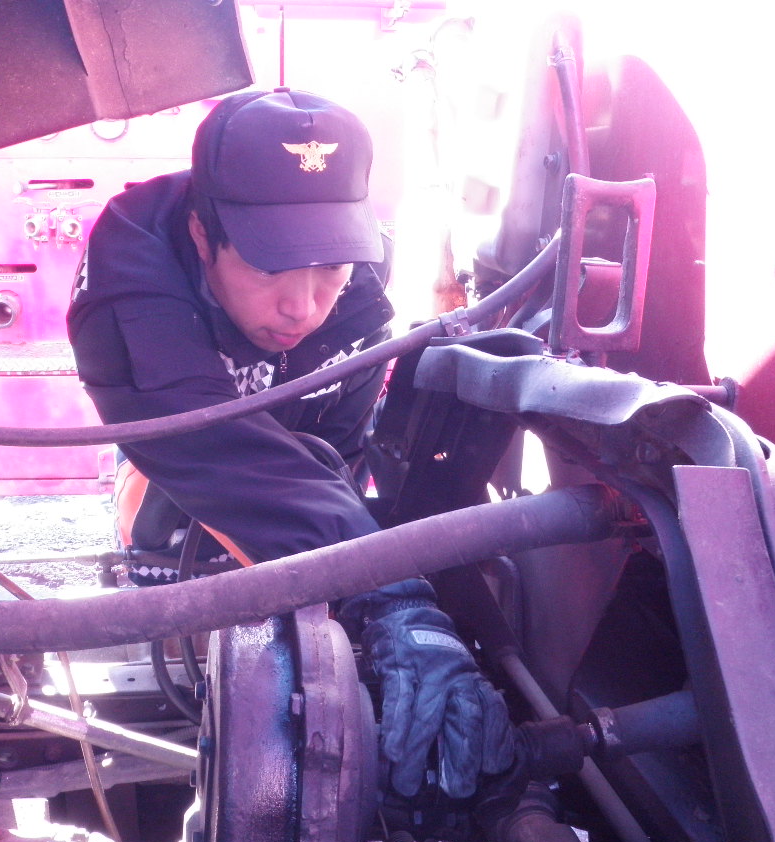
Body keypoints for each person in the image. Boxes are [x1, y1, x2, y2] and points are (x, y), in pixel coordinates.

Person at [67, 88, 515, 800]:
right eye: (269, 269)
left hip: (286, 440)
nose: (303, 307)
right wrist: (390, 591)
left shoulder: (360, 277)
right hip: (184, 451)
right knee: (163, 531)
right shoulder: (130, 278)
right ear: (201, 235)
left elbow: (332, 455)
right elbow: (205, 443)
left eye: (328, 270)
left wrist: (348, 587)